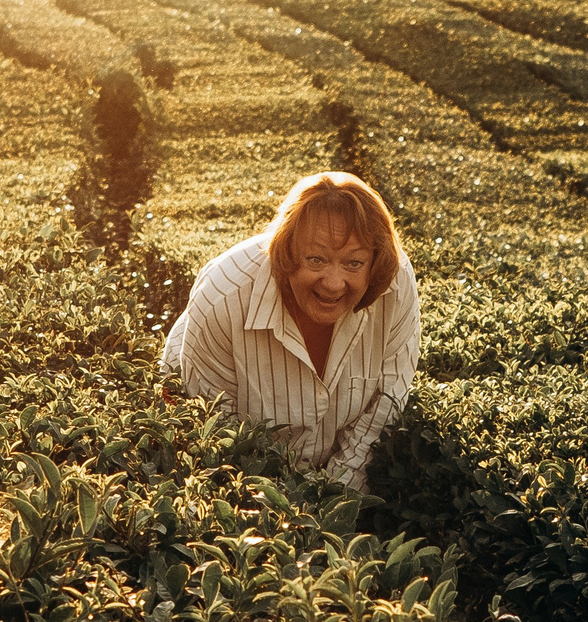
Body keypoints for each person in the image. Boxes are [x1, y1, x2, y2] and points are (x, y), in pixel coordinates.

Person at [161, 170, 419, 491]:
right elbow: (217, 426)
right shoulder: (223, 298)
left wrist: (335, 493)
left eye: (353, 263)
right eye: (316, 259)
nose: (334, 283)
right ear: (287, 252)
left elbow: (388, 394)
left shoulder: (395, 285)